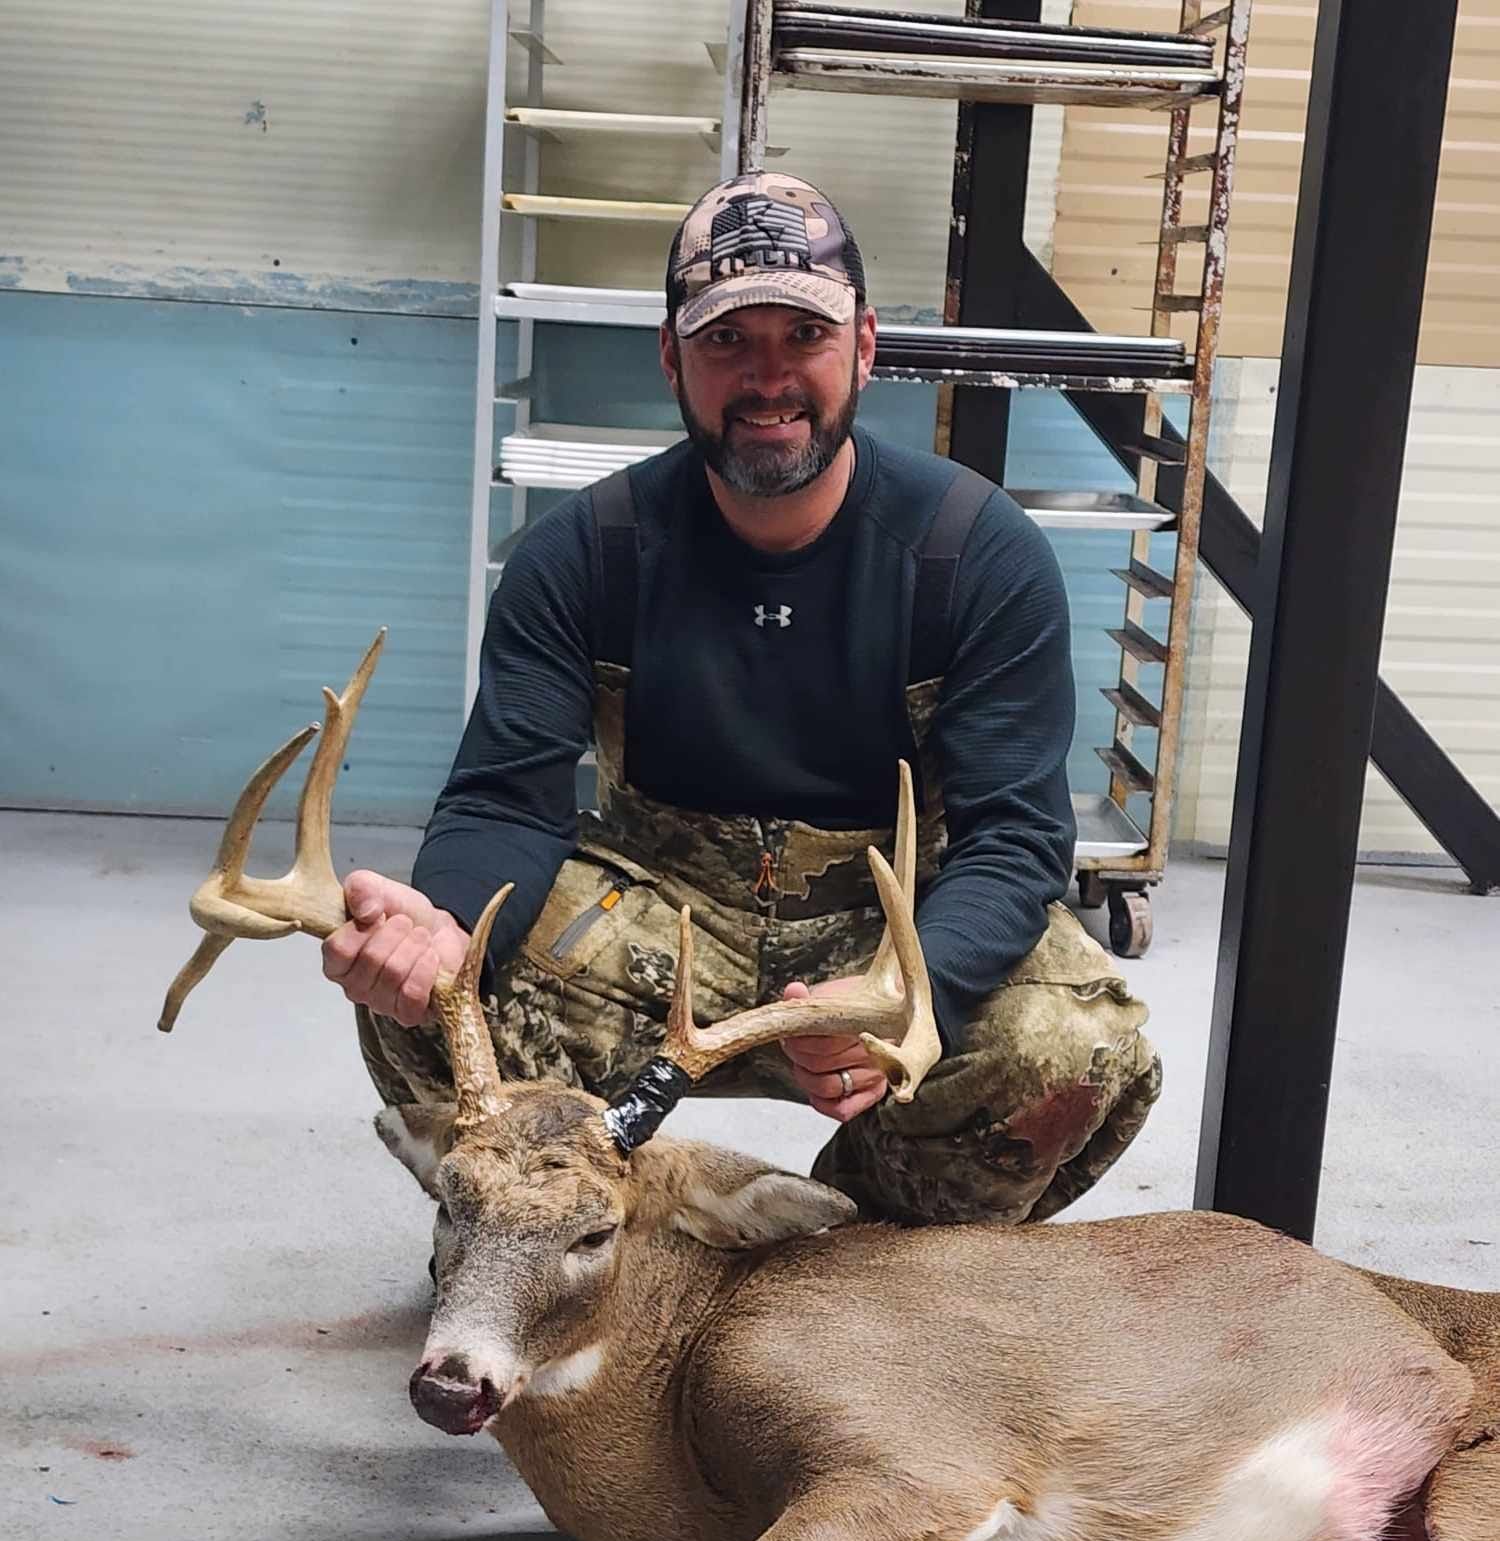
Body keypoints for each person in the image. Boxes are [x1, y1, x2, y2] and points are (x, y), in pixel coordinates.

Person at [324, 172, 1160, 1225]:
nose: (768, 379)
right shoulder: (583, 555)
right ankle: (556, 1244)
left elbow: (1013, 839)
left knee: (1073, 1046)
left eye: (801, 334)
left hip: (886, 926)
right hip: (656, 916)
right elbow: (506, 801)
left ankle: (850, 1257)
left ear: (863, 346)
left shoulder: (975, 555)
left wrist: (914, 990)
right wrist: (446, 928)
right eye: (728, 342)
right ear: (673, 357)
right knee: (425, 997)